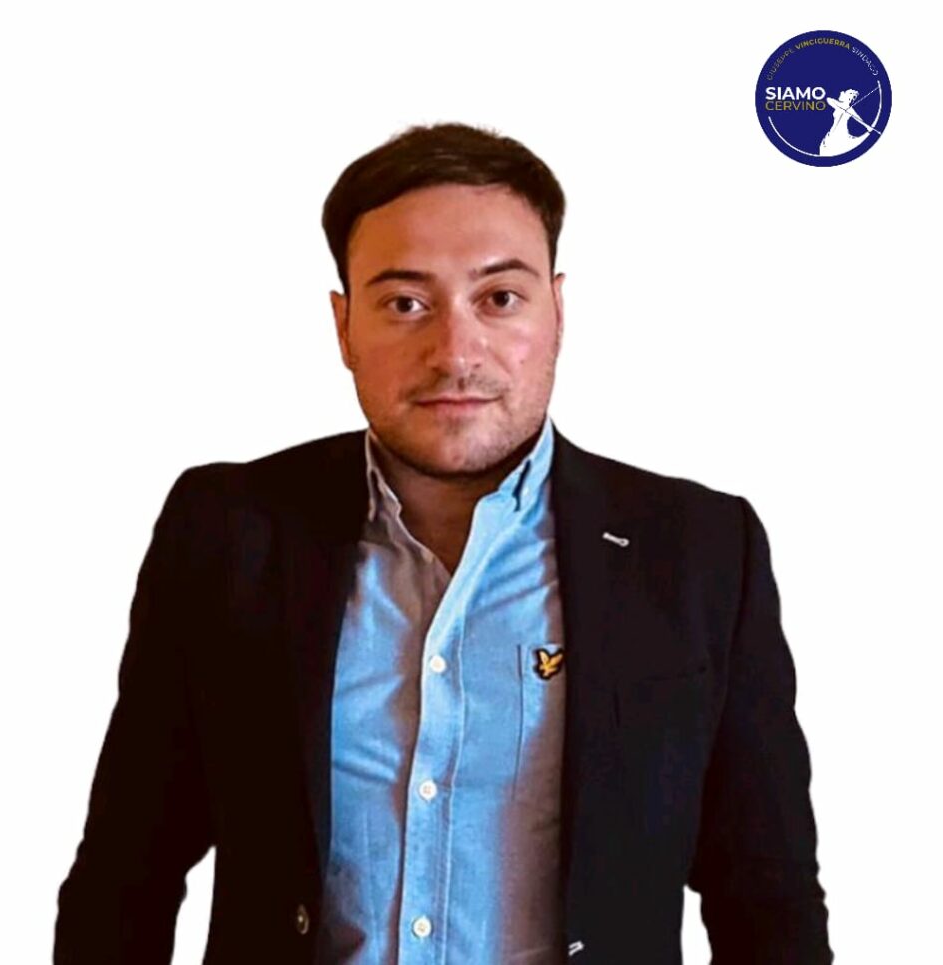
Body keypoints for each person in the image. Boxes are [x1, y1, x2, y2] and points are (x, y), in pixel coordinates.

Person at [54, 123, 833, 964]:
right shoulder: (227, 531)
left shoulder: (697, 553)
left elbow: (768, 903)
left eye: (499, 298)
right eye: (405, 304)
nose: (456, 352)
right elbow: (125, 875)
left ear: (557, 311)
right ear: (344, 326)